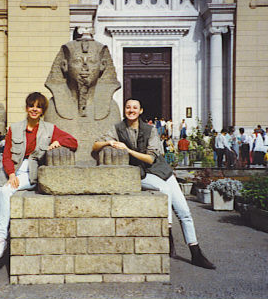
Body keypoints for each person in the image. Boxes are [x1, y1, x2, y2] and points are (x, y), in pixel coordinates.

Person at [92, 98, 215, 270]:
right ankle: (168, 236)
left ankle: (195, 252)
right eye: (128, 107)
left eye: (135, 107)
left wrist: (127, 150)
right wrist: (110, 142)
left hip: (161, 171)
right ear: (124, 110)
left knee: (184, 211)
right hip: (143, 174)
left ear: (141, 111)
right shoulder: (117, 128)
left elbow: (150, 158)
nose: (131, 110)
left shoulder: (150, 130)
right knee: (163, 190)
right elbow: (95, 145)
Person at [0, 92, 78, 268]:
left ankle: (2, 239)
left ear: (42, 110)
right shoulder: (15, 128)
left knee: (7, 191)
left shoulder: (49, 129)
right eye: (31, 106)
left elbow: (73, 142)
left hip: (30, 172)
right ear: (27, 108)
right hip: (10, 171)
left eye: (38, 107)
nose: (34, 109)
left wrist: (58, 143)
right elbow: (6, 156)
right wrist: (11, 174)